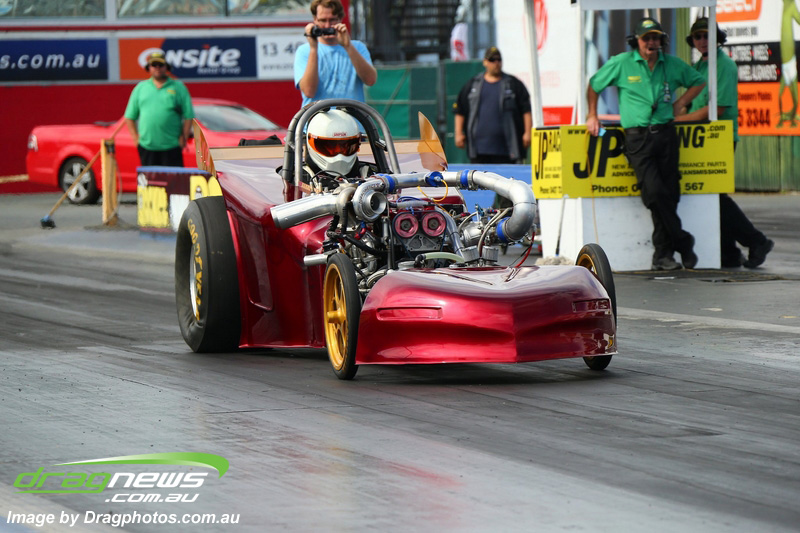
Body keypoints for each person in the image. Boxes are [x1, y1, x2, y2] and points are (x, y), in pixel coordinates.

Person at [586, 17, 706, 271]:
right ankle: (683, 241)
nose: (651, 42)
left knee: (669, 194)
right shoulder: (622, 62)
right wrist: (592, 114)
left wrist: (680, 103)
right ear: (637, 41)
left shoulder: (671, 64)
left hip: (666, 134)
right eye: (646, 38)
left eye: (656, 38)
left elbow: (698, 81)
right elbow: (594, 85)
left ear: (662, 41)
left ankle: (662, 255)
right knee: (654, 193)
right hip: (637, 137)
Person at [676, 18, 774, 268]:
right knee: (709, 195)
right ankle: (729, 252)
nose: (702, 41)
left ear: (717, 38)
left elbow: (716, 109)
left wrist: (677, 120)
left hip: (720, 137)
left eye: (706, 35)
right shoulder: (699, 66)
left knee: (715, 196)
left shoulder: (725, 65)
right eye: (697, 37)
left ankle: (756, 240)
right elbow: (688, 102)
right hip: (701, 137)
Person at [453, 46, 532, 166]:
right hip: (479, 150)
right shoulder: (473, 84)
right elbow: (460, 110)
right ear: (485, 62)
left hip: (508, 148)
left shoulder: (513, 84)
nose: (496, 63)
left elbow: (526, 110)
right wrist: (458, 133)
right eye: (492, 60)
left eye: (499, 60)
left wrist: (527, 133)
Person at [294, 0, 377, 107]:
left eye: (332, 20)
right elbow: (309, 91)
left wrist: (348, 46)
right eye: (323, 20)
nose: (327, 25)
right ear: (315, 20)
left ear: (340, 19)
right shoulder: (305, 51)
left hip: (351, 116)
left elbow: (370, 80)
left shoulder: (357, 47)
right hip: (317, 115)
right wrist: (314, 48)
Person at [124, 51, 194, 167]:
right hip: (147, 147)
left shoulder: (178, 87)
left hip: (172, 147)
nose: (157, 68)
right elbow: (130, 116)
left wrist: (184, 137)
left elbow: (188, 115)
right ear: (149, 67)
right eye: (154, 65)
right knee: (149, 179)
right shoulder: (140, 88)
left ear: (166, 67)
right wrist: (136, 139)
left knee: (173, 178)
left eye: (161, 65)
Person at [304, 109, 376, 182]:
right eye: (331, 147)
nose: (340, 157)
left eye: (345, 147)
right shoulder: (300, 176)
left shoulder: (368, 173)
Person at [778, 0, 800, 128]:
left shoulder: (791, 5)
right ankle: (783, 119)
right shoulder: (784, 6)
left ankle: (792, 119)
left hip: (791, 63)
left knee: (795, 98)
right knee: (779, 96)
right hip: (784, 66)